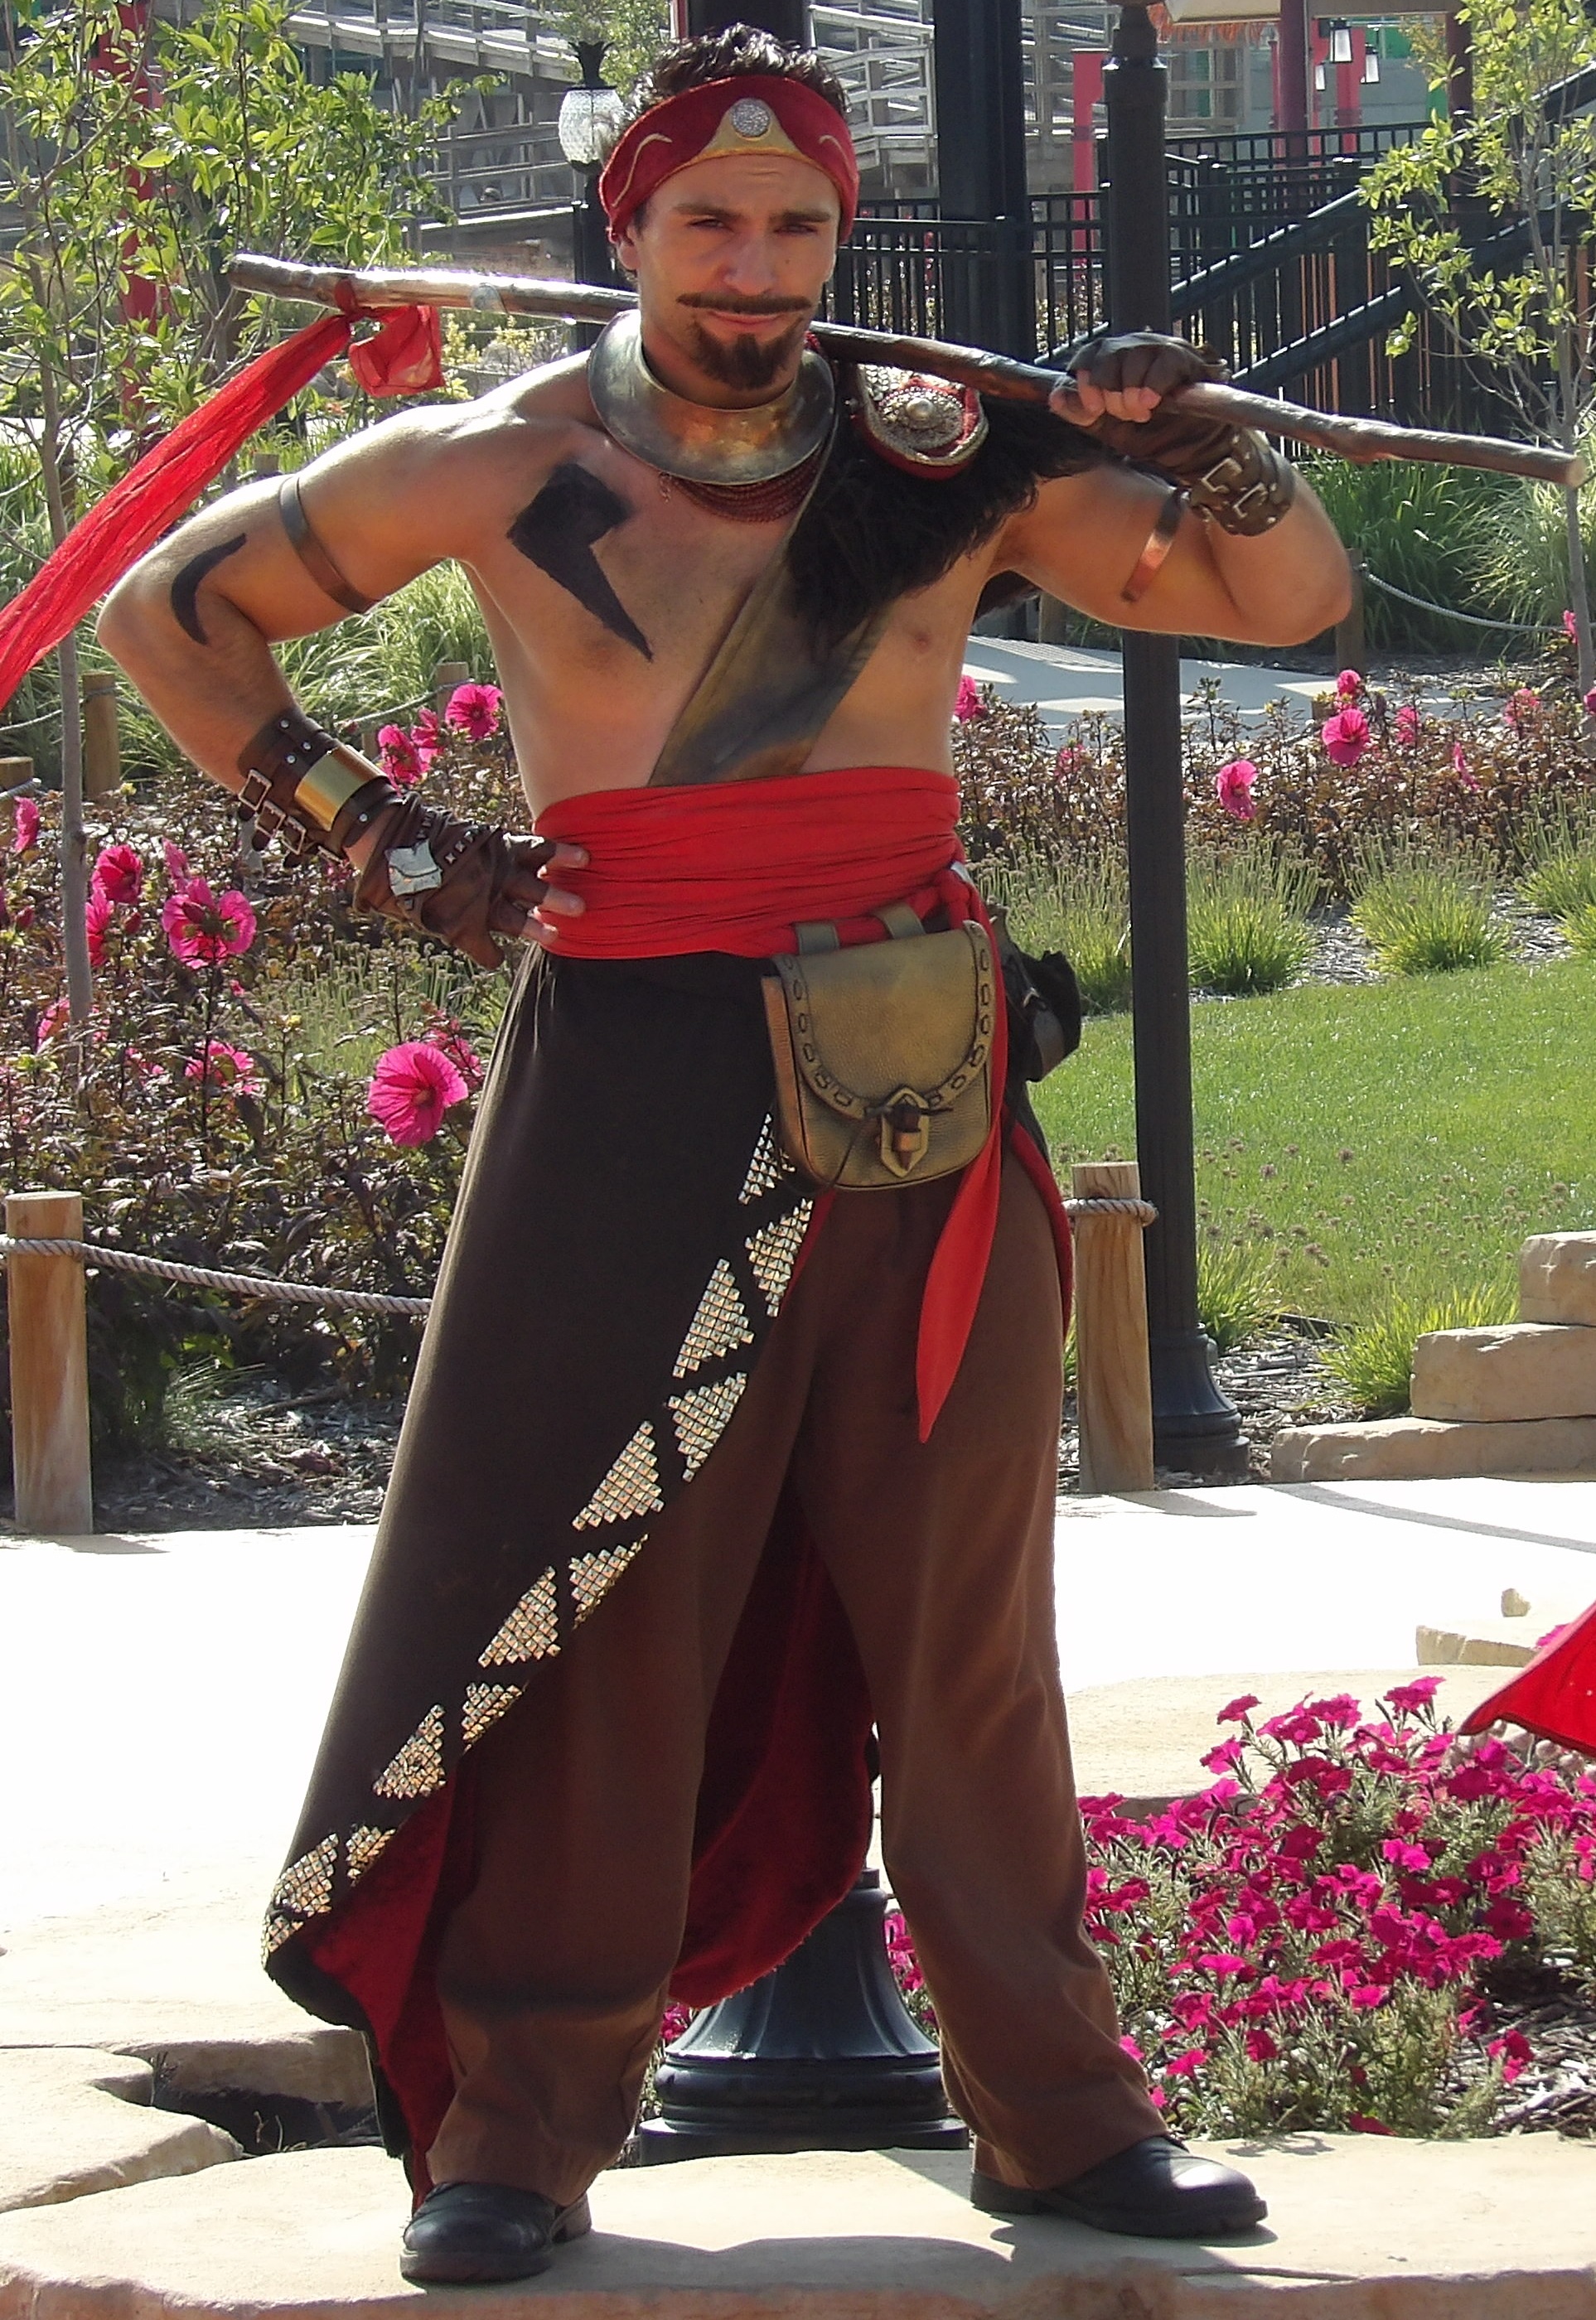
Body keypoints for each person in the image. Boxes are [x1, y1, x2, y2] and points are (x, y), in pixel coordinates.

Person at [99, 22, 1351, 2289]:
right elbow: (167, 617)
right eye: (711, 221)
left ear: (837, 239)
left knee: (969, 1633)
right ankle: (518, 2137)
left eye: (794, 226)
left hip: (925, 1079)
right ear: (633, 223)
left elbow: (1283, 606)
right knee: (611, 1614)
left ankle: (1063, 2117)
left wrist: (1215, 443)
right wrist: (391, 844)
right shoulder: (500, 457)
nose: (755, 266)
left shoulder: (942, 454)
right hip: (638, 1077)